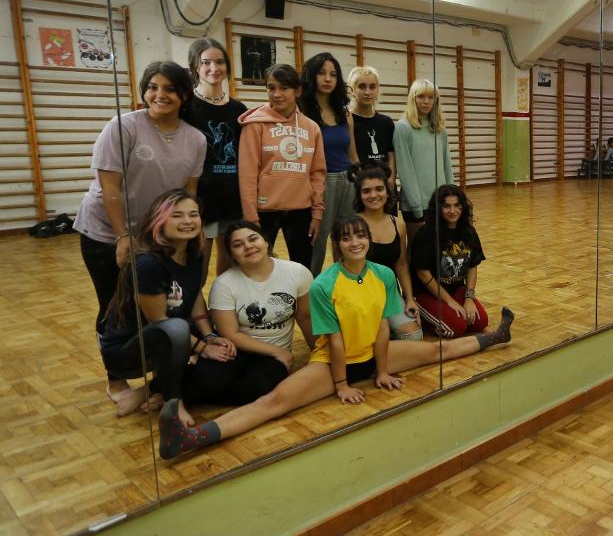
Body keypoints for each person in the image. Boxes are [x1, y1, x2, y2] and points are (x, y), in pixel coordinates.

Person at [157, 216, 515, 460]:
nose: (355, 242)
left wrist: (383, 370)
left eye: (360, 236)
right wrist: (342, 384)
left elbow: (380, 326)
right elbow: (334, 340)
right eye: (347, 238)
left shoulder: (383, 275)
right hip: (333, 363)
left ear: (368, 240)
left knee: (438, 349)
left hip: (375, 354)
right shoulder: (324, 283)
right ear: (337, 245)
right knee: (273, 402)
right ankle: (191, 437)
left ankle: (496, 336)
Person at [75, 61, 206, 416]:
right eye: (152, 87)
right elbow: (110, 187)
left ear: (183, 94)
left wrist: (193, 233)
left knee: (159, 305)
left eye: (168, 89)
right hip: (105, 231)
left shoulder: (196, 138)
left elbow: (188, 193)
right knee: (115, 306)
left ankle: (161, 381)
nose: (159, 95)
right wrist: (122, 237)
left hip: (156, 235)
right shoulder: (122, 127)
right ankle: (115, 378)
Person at [100, 189, 234, 426]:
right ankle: (174, 402)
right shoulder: (148, 263)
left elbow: (194, 296)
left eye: (193, 214)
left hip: (172, 335)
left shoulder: (194, 253)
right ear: (159, 221)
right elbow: (160, 323)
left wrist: (210, 335)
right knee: (175, 329)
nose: (187, 221)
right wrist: (202, 348)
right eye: (177, 216)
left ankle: (151, 391)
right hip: (128, 352)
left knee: (223, 361)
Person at [206, 220, 316, 406]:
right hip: (237, 349)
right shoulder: (223, 284)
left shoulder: (297, 272)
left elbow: (305, 317)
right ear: (232, 254)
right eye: (238, 245)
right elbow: (230, 334)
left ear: (266, 242)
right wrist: (279, 352)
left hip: (270, 360)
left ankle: (198, 396)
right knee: (209, 379)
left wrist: (320, 353)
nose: (248, 247)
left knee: (260, 385)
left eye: (253, 239)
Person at [238, 63, 327, 271]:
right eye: (271, 87)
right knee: (256, 268)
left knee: (303, 269)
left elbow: (317, 174)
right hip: (263, 211)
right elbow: (247, 175)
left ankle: (302, 305)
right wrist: (251, 218)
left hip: (301, 211)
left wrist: (316, 213)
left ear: (298, 91)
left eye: (284, 88)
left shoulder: (312, 128)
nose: (276, 94)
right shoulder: (254, 125)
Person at [184, 37, 248, 275]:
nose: (214, 68)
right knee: (197, 268)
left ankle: (221, 311)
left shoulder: (238, 109)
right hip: (199, 198)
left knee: (231, 267)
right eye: (206, 62)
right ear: (195, 67)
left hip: (232, 197)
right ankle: (196, 312)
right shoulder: (186, 106)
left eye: (220, 62)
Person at [300, 52, 360, 273]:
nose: (327, 79)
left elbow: (353, 155)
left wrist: (361, 182)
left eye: (333, 74)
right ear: (312, 76)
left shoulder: (345, 114)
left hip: (348, 181)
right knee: (317, 239)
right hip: (319, 184)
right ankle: (310, 291)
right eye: (322, 73)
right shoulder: (302, 112)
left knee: (345, 236)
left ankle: (345, 285)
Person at [351, 164, 422, 340]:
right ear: (360, 196)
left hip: (389, 293)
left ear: (388, 192)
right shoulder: (351, 225)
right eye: (366, 191)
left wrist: (409, 298)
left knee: (414, 337)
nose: (373, 195)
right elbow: (343, 271)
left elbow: (402, 264)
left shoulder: (398, 223)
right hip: (360, 295)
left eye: (379, 189)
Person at [410, 184, 490, 338]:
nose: (452, 211)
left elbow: (473, 265)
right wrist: (449, 302)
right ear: (438, 208)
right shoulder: (426, 233)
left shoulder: (468, 231)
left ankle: (445, 313)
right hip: (428, 293)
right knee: (456, 327)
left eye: (457, 205)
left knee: (480, 323)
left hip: (456, 289)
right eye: (447, 206)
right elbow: (423, 274)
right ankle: (424, 313)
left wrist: (469, 298)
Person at [393, 78, 454, 248]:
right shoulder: (403, 127)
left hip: (439, 201)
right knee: (418, 250)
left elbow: (447, 163)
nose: (426, 101)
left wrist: (452, 195)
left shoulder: (439, 128)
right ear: (413, 98)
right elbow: (405, 170)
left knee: (439, 248)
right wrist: (416, 207)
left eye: (431, 97)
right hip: (416, 204)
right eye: (421, 97)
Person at [348, 66, 396, 187]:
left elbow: (391, 154)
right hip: (360, 185)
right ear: (352, 90)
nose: (367, 92)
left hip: (384, 184)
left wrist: (390, 179)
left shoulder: (386, 122)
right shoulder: (347, 120)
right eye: (362, 87)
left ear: (378, 90)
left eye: (372, 87)